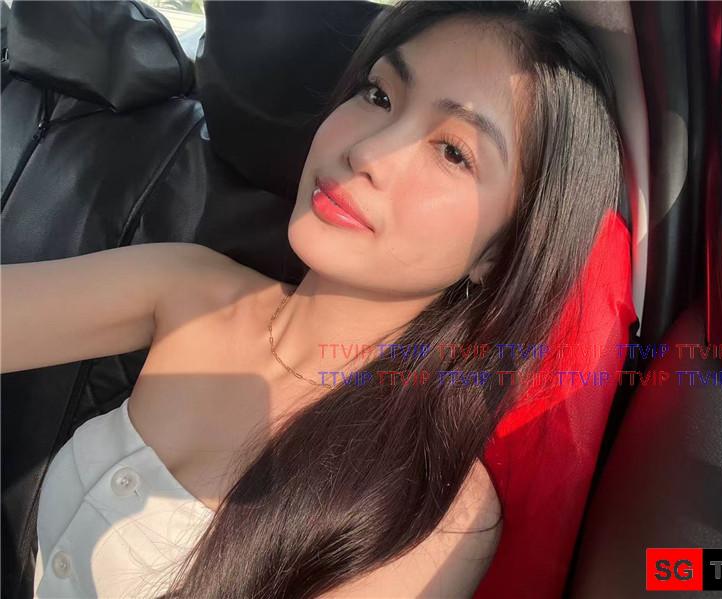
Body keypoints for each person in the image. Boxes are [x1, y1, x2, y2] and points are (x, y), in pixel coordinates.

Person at [1, 1, 624, 597]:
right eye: (379, 95)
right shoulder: (186, 286)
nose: (367, 152)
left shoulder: (434, 515)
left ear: (500, 252)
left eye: (454, 152)